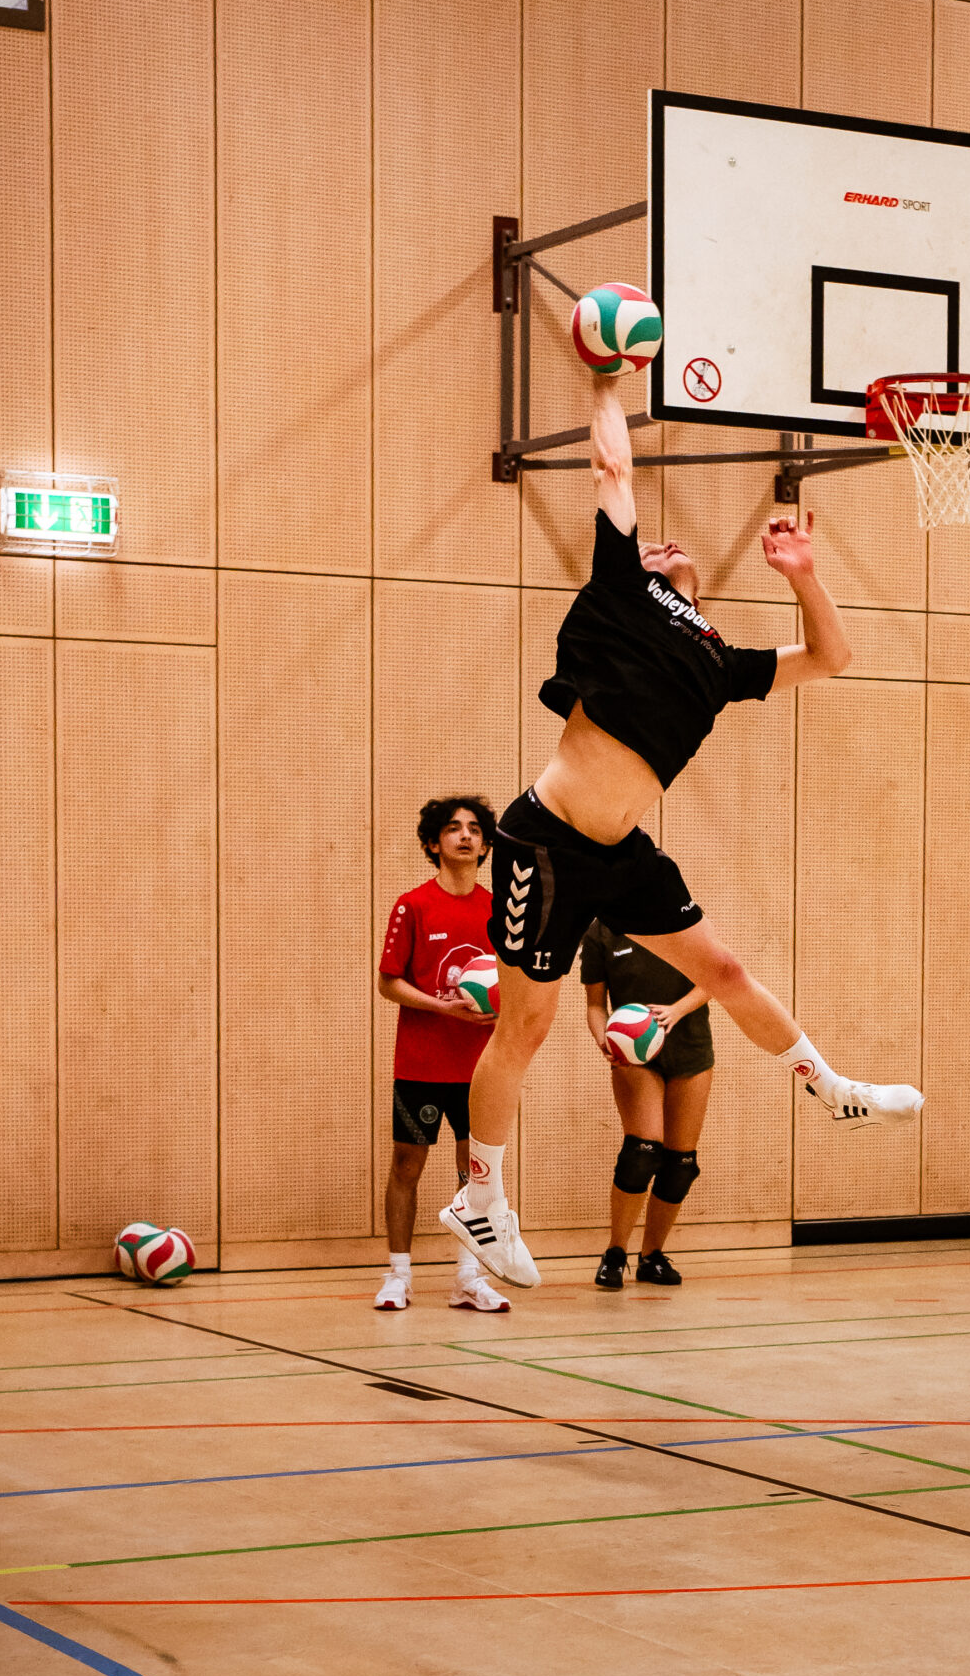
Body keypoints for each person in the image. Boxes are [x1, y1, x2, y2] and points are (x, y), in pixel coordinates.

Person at [440, 368, 923, 1291]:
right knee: (526, 1029)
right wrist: (602, 377)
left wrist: (806, 576)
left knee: (728, 971)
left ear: (699, 588)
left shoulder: (720, 662)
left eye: (674, 550)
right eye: (655, 547)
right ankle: (480, 1196)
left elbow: (832, 655)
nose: (664, 545)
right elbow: (612, 467)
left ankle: (833, 1089)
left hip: (622, 855)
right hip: (546, 842)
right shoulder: (623, 590)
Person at [375, 796, 511, 1314]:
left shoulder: (499, 909)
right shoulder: (413, 904)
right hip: (422, 1063)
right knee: (407, 1165)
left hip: (482, 1067)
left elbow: (518, 983)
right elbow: (389, 983)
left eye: (475, 829)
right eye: (452, 829)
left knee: (474, 1173)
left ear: (485, 844)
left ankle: (468, 1279)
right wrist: (443, 1008)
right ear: (434, 844)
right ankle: (398, 1276)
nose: (465, 836)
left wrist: (507, 1012)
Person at [581, 920, 713, 1289]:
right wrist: (604, 1038)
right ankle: (615, 1253)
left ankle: (652, 1256)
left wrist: (677, 1010)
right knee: (642, 1151)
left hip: (690, 1049)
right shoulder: (601, 933)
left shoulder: (684, 917)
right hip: (635, 1055)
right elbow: (594, 1005)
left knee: (681, 1164)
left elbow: (714, 979)